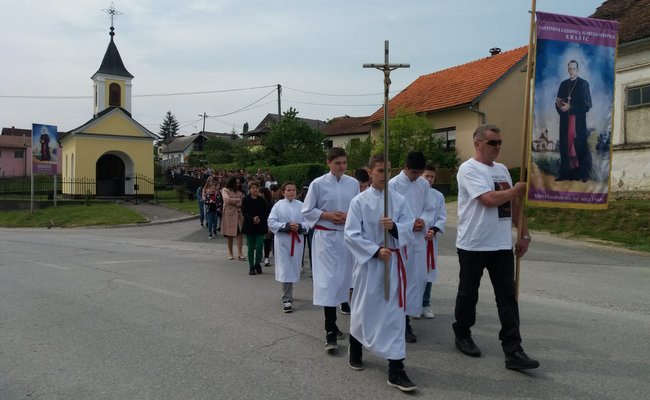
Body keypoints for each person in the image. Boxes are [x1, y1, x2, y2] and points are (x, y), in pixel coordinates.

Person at [453, 124, 540, 371]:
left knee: (507, 297)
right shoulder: (468, 169)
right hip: (474, 243)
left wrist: (524, 234)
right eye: (492, 142)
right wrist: (515, 191)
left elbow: (514, 205)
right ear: (477, 143)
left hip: (500, 244)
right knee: (468, 293)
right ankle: (462, 333)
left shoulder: (502, 170)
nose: (497, 147)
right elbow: (488, 200)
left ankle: (513, 350)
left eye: (500, 142)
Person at [344, 154, 417, 392]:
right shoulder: (359, 202)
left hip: (393, 264)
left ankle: (396, 368)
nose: (385, 175)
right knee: (363, 308)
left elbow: (408, 227)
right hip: (369, 264)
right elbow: (351, 234)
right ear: (370, 172)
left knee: (394, 315)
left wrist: (394, 227)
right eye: (380, 171)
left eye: (388, 171)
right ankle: (356, 347)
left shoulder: (398, 200)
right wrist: (375, 251)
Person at [302, 147, 359, 352]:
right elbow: (307, 210)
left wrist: (349, 216)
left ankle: (340, 325)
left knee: (345, 280)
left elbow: (358, 207)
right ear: (328, 163)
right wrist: (327, 215)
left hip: (346, 239)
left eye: (344, 163)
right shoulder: (318, 184)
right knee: (328, 282)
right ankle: (330, 331)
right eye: (337, 163)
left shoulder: (353, 184)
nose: (342, 167)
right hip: (325, 239)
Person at [388, 151, 436, 343]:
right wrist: (408, 225)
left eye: (419, 173)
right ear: (406, 167)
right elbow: (390, 214)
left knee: (415, 280)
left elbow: (430, 208)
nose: (417, 177)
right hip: (400, 240)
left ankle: (407, 317)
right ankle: (399, 321)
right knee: (399, 281)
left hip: (418, 240)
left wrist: (423, 221)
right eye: (414, 172)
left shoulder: (423, 184)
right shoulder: (393, 184)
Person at [268, 182, 309, 313]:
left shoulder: (302, 205)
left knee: (293, 268)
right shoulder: (278, 206)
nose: (291, 192)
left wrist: (300, 227)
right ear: (283, 192)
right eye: (289, 190)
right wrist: (286, 226)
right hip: (283, 242)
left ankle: (289, 292)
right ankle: (286, 298)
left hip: (296, 242)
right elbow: (271, 222)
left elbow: (308, 221)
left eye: (293, 190)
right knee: (285, 269)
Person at [555, 60, 592, 182]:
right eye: (570, 69)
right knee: (565, 146)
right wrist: (562, 108)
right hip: (565, 122)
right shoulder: (563, 84)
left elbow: (587, 105)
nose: (571, 71)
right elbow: (558, 102)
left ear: (578, 69)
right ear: (567, 69)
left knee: (580, 146)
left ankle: (582, 174)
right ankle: (564, 174)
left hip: (578, 122)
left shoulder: (583, 84)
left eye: (574, 69)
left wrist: (570, 107)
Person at [418, 164, 446, 319]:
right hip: (416, 237)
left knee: (428, 273)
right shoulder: (415, 193)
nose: (429, 179)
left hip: (430, 239)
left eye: (432, 177)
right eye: (426, 176)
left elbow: (441, 217)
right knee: (415, 272)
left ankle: (425, 303)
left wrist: (434, 229)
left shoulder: (438, 196)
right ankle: (414, 304)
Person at [241, 181, 269, 275]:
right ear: (249, 189)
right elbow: (244, 212)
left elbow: (265, 212)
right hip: (249, 225)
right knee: (251, 247)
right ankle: (251, 267)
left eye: (256, 188)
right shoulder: (245, 199)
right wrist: (252, 218)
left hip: (260, 225)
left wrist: (259, 218)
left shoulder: (262, 200)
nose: (255, 189)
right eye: (253, 188)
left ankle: (257, 264)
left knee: (260, 246)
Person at [222, 176, 245, 260]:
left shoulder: (240, 191)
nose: (238, 184)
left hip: (238, 215)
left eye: (239, 183)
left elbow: (243, 201)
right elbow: (226, 200)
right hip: (229, 215)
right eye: (236, 183)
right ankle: (230, 253)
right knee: (229, 234)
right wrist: (238, 200)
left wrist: (236, 201)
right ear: (232, 183)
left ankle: (240, 253)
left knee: (239, 233)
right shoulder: (225, 190)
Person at [260, 186, 275, 267]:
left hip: (265, 223)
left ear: (263, 193)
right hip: (264, 223)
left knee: (265, 240)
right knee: (265, 241)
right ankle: (265, 257)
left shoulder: (268, 203)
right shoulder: (270, 202)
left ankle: (265, 257)